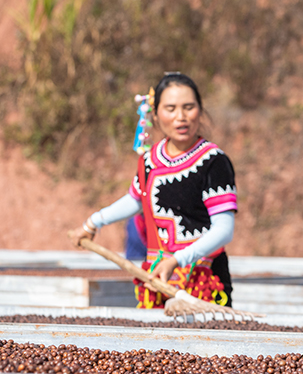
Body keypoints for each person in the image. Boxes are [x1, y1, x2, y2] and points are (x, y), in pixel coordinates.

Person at [71, 73, 238, 308]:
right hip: (158, 278)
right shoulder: (150, 160)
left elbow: (224, 230)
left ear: (200, 110)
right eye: (170, 109)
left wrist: (178, 260)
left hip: (203, 279)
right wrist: (93, 223)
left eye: (188, 108)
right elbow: (136, 199)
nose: (181, 117)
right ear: (156, 115)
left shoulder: (213, 162)